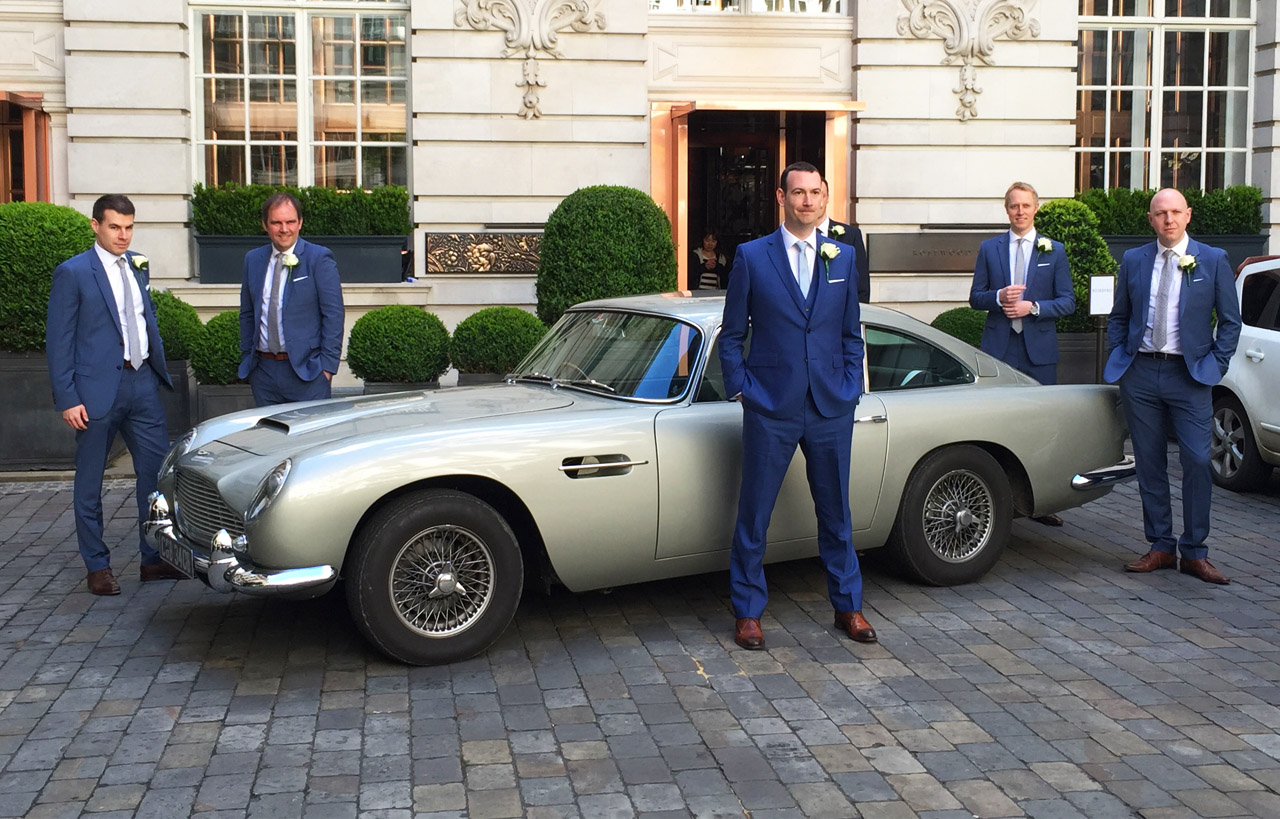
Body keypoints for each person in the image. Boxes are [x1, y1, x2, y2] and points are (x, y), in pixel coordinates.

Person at [719, 160, 875, 651]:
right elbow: (732, 335)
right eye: (799, 192)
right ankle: (747, 612)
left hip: (831, 405)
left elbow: (852, 332)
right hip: (770, 404)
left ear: (825, 199)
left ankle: (848, 606)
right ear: (781, 198)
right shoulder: (751, 256)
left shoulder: (843, 258)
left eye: (816, 192)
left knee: (836, 513)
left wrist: (851, 385)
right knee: (754, 513)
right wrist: (743, 389)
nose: (808, 200)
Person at [46, 194, 184, 595]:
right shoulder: (73, 273)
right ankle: (97, 566)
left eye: (129, 227)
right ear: (95, 226)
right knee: (89, 482)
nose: (123, 236)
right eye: (114, 227)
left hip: (142, 383)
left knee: (156, 476)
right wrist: (67, 397)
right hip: (93, 392)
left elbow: (142, 317)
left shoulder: (137, 264)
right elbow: (59, 340)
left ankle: (154, 557)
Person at [1105, 188, 1241, 585]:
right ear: (1151, 219)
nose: (1168, 219)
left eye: (1175, 212)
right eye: (1160, 213)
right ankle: (1161, 546)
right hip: (1141, 373)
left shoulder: (1212, 259)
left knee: (1198, 460)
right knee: (1149, 461)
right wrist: (1121, 352)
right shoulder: (1133, 260)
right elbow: (1120, 315)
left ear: (1188, 216)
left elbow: (1230, 321)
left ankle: (1195, 550)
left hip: (1191, 375)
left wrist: (1216, 363)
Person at [968, 182, 1076, 525]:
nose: (1020, 211)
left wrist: (1035, 307)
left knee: (1042, 425)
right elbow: (975, 297)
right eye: (1014, 206)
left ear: (1036, 208)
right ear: (1006, 209)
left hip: (1038, 350)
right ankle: (998, 498)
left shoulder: (1053, 250)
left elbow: (1068, 301)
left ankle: (1043, 502)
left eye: (1026, 205)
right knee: (995, 423)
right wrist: (998, 297)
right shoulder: (990, 248)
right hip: (999, 347)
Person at [238, 193, 345, 407]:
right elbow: (247, 314)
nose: (284, 229)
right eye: (276, 222)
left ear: (300, 223)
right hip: (263, 372)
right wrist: (247, 359)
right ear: (265, 225)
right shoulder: (253, 259)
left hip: (308, 372)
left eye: (290, 222)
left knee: (311, 440)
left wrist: (327, 368)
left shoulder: (319, 258)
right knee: (271, 439)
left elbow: (333, 314)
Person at [816, 179, 871, 304]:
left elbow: (861, 288)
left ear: (827, 198)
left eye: (818, 194)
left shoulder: (851, 235)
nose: (814, 202)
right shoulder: (793, 238)